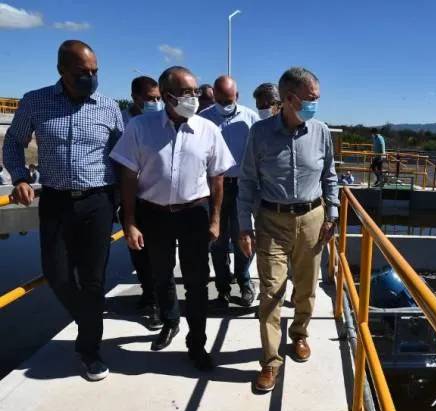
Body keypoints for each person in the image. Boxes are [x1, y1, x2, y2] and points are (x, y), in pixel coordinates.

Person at [2, 40, 123, 381]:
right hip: (55, 200)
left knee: (93, 278)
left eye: (95, 71)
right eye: (82, 72)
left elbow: (123, 155)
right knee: (56, 273)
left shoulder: (108, 107)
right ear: (62, 71)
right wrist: (20, 177)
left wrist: (122, 202)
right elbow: (14, 142)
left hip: (98, 202)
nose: (91, 77)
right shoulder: (35, 101)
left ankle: (89, 351)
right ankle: (89, 319)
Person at [111, 65, 234, 371]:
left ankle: (197, 343)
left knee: (196, 282)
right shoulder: (140, 127)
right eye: (186, 92)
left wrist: (216, 219)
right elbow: (127, 176)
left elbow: (217, 178)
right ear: (167, 96)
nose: (194, 97)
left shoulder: (208, 130)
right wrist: (130, 221)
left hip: (194, 213)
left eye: (195, 91)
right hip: (153, 214)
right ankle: (170, 321)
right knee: (161, 275)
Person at [237, 67, 339, 392]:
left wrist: (332, 212)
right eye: (311, 99)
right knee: (271, 293)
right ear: (290, 99)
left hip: (312, 218)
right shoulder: (261, 133)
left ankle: (300, 335)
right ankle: (270, 362)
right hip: (272, 222)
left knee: (307, 288)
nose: (315, 105)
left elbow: (330, 175)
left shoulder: (321, 131)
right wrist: (244, 227)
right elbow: (248, 182)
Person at [200, 75, 260, 308]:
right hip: (214, 187)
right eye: (221, 99)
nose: (225, 104)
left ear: (237, 96)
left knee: (243, 236)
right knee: (217, 239)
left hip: (242, 186)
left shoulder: (250, 118)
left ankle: (244, 281)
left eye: (230, 99)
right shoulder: (203, 119)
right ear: (213, 95)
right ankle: (223, 287)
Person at [121, 76, 162, 329]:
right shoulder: (121, 121)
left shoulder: (158, 121)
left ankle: (157, 303)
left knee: (154, 251)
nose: (155, 103)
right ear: (135, 97)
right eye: (150, 99)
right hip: (127, 196)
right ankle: (148, 293)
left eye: (158, 98)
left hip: (152, 197)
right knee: (137, 251)